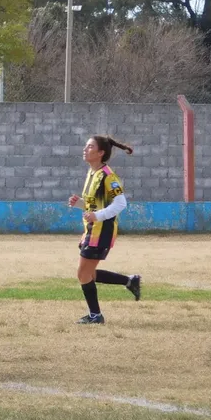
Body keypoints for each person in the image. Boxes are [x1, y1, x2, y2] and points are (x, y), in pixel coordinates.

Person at [67, 136, 141, 324]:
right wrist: (80, 205)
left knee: (83, 274)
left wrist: (97, 216)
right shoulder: (93, 173)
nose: (85, 149)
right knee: (89, 274)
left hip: (102, 231)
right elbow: (94, 206)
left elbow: (121, 203)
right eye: (85, 145)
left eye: (90, 146)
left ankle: (95, 315)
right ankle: (130, 281)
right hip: (92, 230)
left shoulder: (108, 176)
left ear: (100, 153)